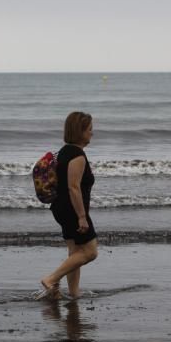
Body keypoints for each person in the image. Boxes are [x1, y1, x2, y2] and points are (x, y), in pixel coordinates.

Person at [37, 111, 99, 300]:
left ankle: (73, 294)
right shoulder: (77, 155)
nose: (92, 133)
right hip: (72, 209)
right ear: (80, 131)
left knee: (75, 252)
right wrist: (81, 216)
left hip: (61, 208)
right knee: (90, 252)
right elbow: (73, 188)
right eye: (89, 130)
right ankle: (51, 279)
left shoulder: (64, 152)